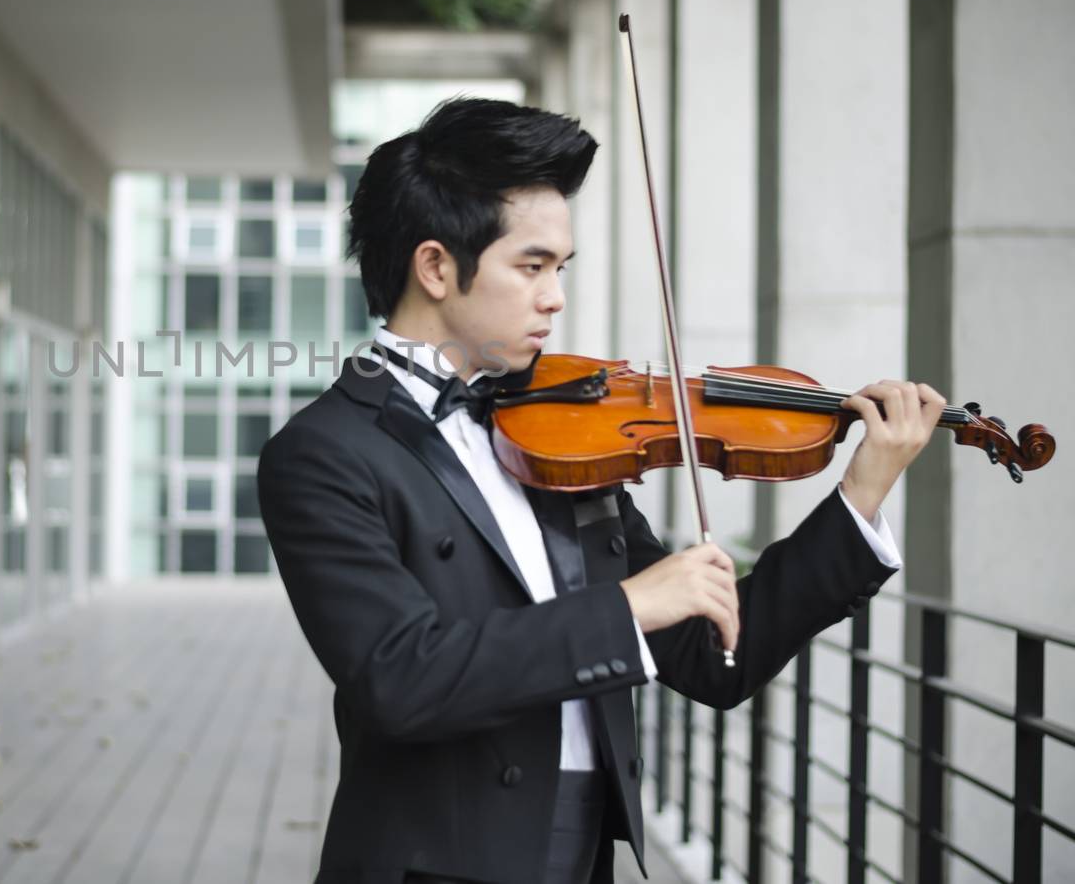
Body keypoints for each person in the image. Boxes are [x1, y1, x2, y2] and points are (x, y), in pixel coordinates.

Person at [256, 98, 945, 884]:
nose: (554, 297)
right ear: (437, 266)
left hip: (583, 860)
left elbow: (715, 661)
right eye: (532, 265)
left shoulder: (557, 430)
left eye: (562, 269)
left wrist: (859, 495)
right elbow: (400, 681)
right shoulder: (323, 453)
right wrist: (627, 607)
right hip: (434, 866)